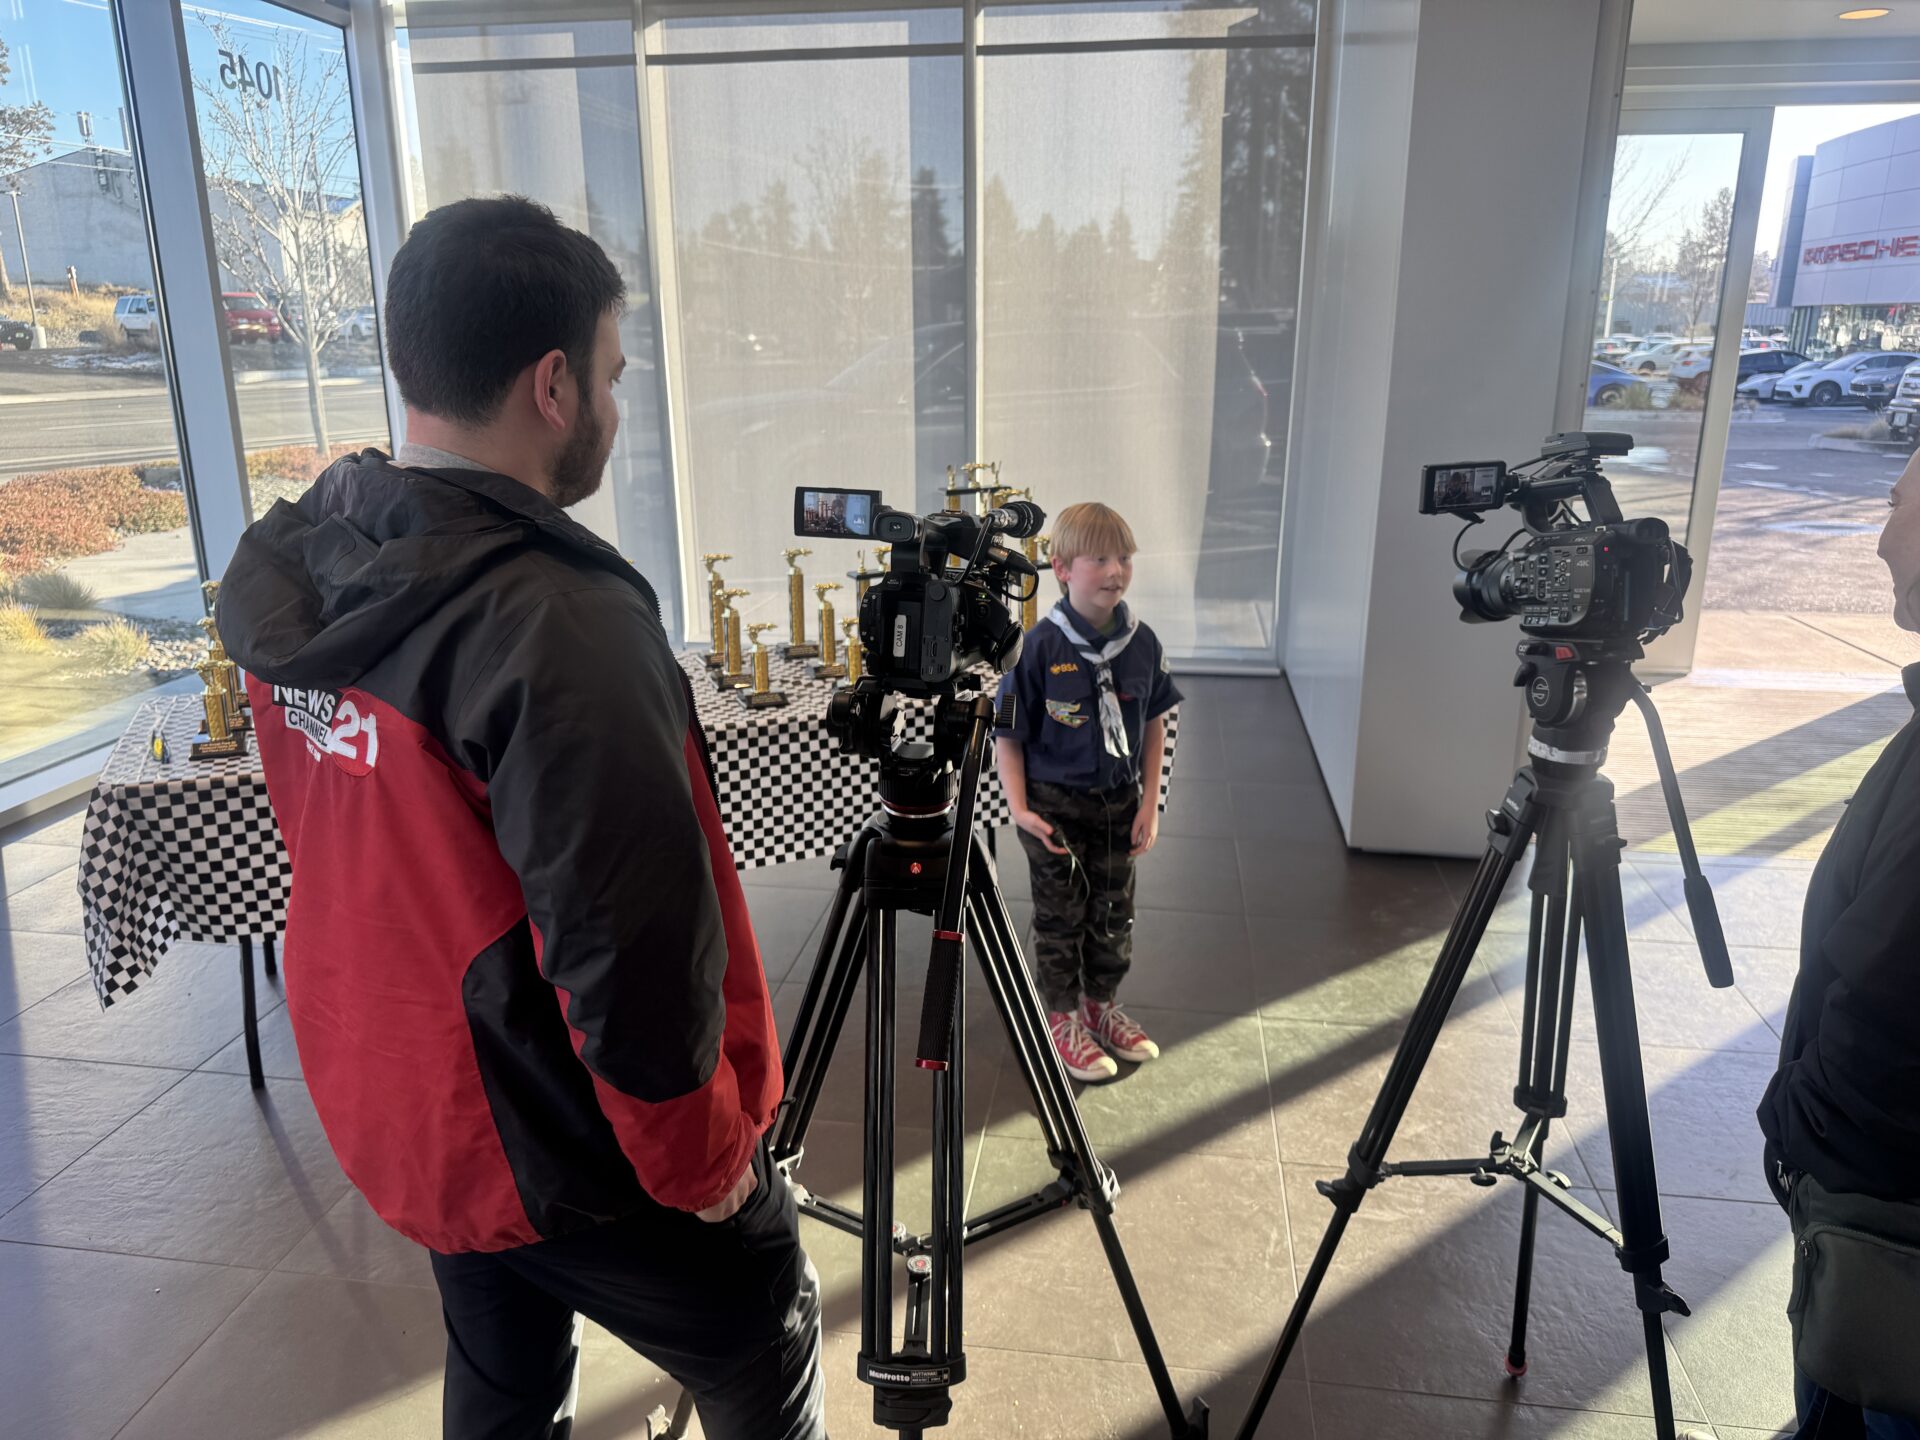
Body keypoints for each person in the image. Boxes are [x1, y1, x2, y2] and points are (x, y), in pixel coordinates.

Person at [217, 196, 826, 1440]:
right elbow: (628, 949)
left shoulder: (311, 561)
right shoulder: (560, 628)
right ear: (552, 386)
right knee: (763, 1337)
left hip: (418, 1109)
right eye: (612, 374)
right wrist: (707, 1164)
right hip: (565, 1136)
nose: (616, 404)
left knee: (502, 1378)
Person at [1757, 445, 1920, 1439]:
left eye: (1900, 504)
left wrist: (1798, 1126)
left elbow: (1884, 1005)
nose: (1882, 539)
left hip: (1883, 1231)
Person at [992, 501, 1181, 1082]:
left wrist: (1150, 803)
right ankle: (1061, 1016)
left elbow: (1155, 723)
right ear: (1062, 568)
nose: (1115, 571)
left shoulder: (1142, 643)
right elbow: (1008, 736)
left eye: (1123, 558)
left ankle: (1101, 1005)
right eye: (1099, 559)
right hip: (1054, 807)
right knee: (1061, 916)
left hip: (1119, 802)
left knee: (1114, 912)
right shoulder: (1035, 649)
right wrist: (1018, 809)